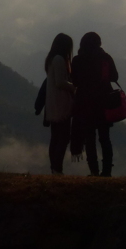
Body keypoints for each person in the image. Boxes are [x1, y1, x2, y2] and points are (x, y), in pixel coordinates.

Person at [71, 31, 120, 177]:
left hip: (85, 103)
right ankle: (107, 171)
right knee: (105, 137)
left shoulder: (78, 60)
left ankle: (94, 170)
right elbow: (115, 76)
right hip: (104, 102)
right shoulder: (105, 57)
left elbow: (74, 81)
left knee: (90, 138)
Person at [44, 32, 75, 174]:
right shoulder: (59, 60)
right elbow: (60, 82)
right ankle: (57, 168)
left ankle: (54, 168)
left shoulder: (51, 59)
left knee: (56, 137)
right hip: (60, 102)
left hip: (53, 102)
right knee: (63, 137)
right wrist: (74, 88)